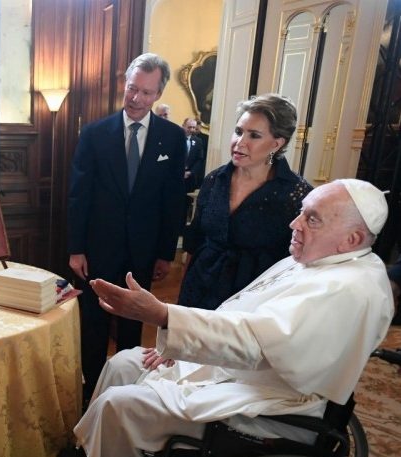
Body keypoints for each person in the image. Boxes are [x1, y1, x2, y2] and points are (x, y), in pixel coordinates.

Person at [72, 178, 392, 457]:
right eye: (301, 212)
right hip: (241, 371)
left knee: (117, 404)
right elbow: (240, 315)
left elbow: (257, 342)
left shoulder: (346, 289)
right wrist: (180, 342)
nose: (294, 224)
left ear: (351, 239)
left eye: (312, 219)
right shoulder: (321, 260)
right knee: (122, 364)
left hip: (267, 404)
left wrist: (164, 316)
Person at [67, 53, 186, 402]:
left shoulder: (172, 138)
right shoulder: (94, 134)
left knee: (134, 324)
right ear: (125, 84)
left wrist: (166, 252)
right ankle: (90, 393)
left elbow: (173, 199)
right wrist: (76, 248)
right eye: (132, 88)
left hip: (143, 250)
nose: (136, 98)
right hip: (98, 248)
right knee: (94, 324)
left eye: (146, 92)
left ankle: (124, 394)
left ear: (158, 94)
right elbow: (79, 195)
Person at [178, 94, 313, 310]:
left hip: (252, 300)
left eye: (254, 135)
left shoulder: (297, 194)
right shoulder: (215, 179)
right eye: (239, 131)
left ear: (277, 144)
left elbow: (296, 262)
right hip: (199, 289)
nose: (240, 143)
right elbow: (195, 242)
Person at [182, 117, 205, 190]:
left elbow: (200, 159)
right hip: (175, 177)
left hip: (189, 180)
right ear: (183, 126)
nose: (192, 130)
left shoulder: (198, 141)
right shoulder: (176, 138)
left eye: (193, 127)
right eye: (189, 127)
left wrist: (190, 172)